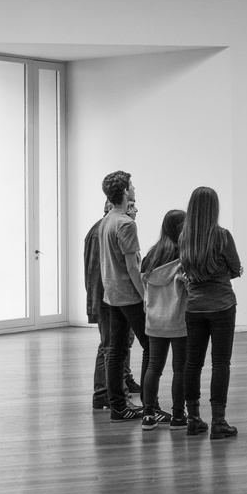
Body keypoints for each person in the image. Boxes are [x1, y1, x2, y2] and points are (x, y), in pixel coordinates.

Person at [180, 186, 242, 440]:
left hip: (194, 307)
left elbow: (186, 270)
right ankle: (218, 421)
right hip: (222, 305)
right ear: (214, 208)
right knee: (221, 362)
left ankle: (193, 419)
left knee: (192, 362)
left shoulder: (185, 238)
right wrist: (223, 274)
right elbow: (235, 267)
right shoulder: (222, 236)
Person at [99, 171, 151, 423]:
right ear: (124, 191)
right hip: (130, 297)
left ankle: (118, 407)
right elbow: (132, 267)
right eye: (131, 185)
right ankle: (150, 406)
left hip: (112, 295)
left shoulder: (106, 220)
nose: (134, 188)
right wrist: (146, 297)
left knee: (116, 351)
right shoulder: (126, 223)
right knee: (151, 347)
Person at [83, 200, 140, 410]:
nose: (133, 209)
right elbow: (98, 271)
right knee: (110, 346)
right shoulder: (103, 230)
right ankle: (104, 393)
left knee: (120, 343)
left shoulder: (110, 227)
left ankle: (121, 382)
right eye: (130, 203)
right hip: (109, 298)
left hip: (114, 296)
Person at [140, 209, 189, 431]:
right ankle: (178, 416)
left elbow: (143, 284)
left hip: (154, 320)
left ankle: (148, 415)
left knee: (153, 367)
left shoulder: (151, 256)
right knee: (180, 369)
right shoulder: (183, 258)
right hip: (178, 320)